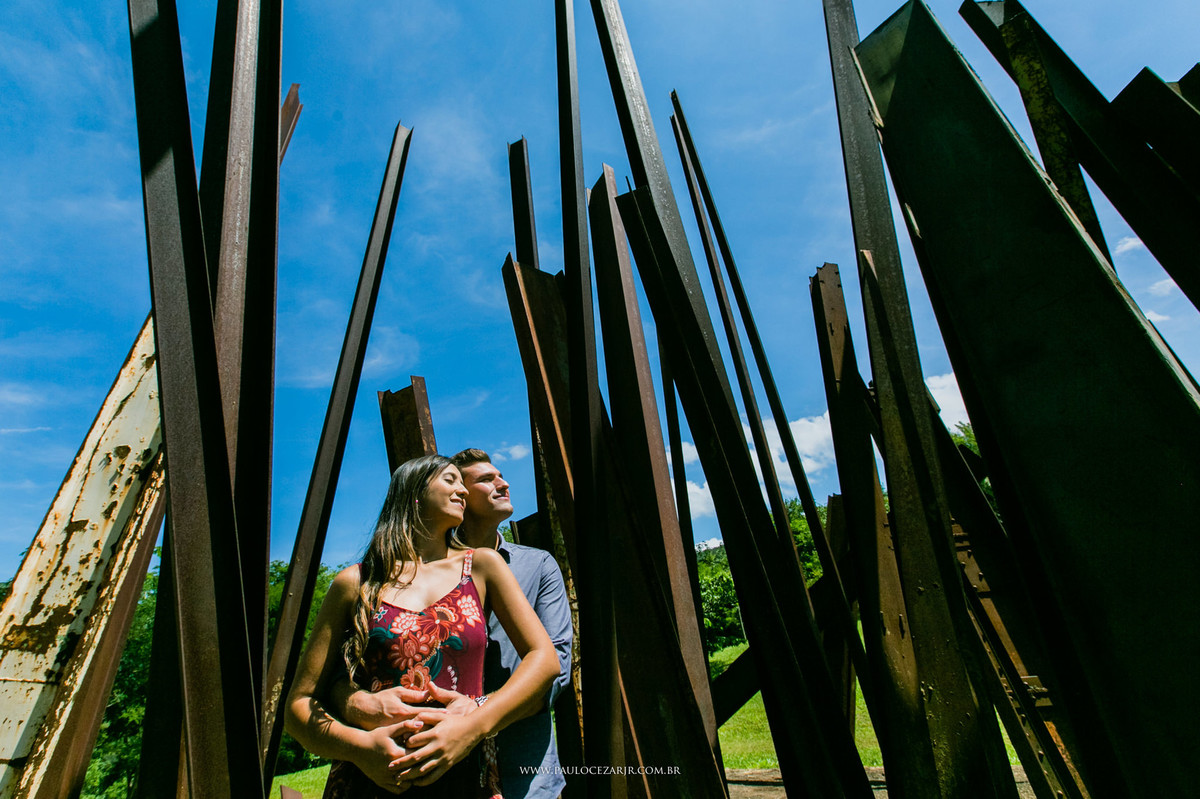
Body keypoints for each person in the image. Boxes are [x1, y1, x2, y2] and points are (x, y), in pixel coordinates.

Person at [285, 454, 560, 797]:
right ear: (413, 492)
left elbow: (545, 659)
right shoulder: (356, 582)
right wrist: (360, 748)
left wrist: (474, 725)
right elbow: (299, 706)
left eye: (462, 482)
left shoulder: (481, 566)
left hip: (465, 775)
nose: (461, 490)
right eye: (450, 480)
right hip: (371, 782)